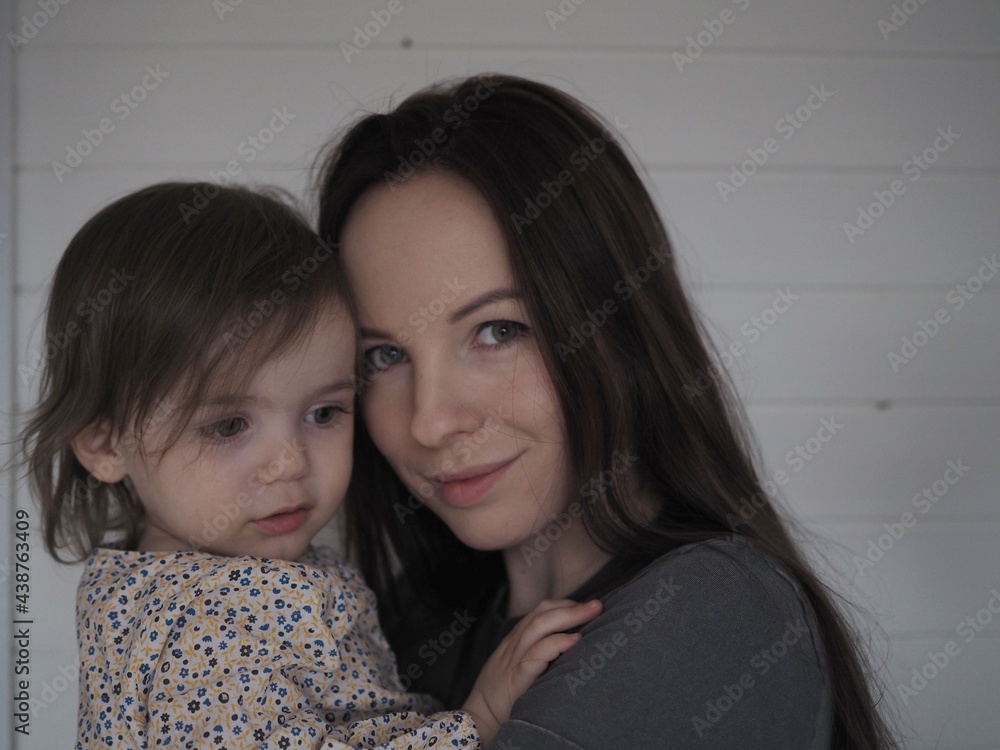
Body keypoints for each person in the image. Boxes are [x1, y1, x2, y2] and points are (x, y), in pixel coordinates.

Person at [315, 74, 898, 749]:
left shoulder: (709, 614)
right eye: (385, 356)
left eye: (499, 331)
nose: (431, 422)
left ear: (619, 327)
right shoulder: (396, 630)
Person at [19, 181, 601, 749]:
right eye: (228, 426)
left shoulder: (206, 582)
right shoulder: (203, 623)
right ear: (105, 445)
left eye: (323, 413)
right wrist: (476, 720)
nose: (290, 463)